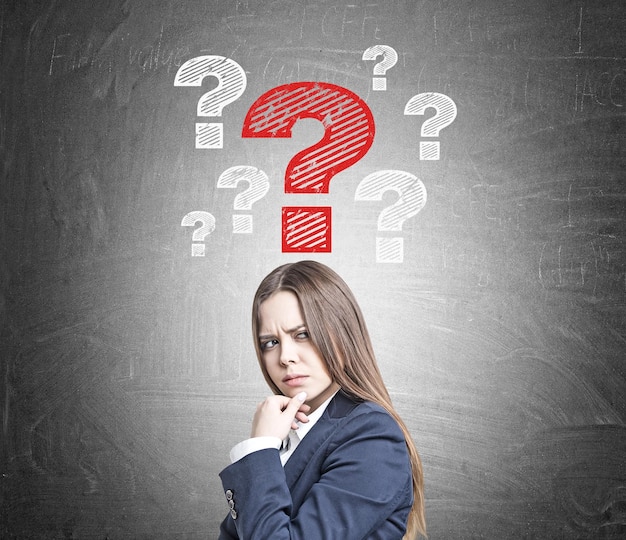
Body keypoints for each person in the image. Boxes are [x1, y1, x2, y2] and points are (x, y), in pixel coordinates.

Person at [218, 260, 426, 539]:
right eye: (271, 342)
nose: (285, 357)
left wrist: (258, 450)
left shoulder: (373, 437)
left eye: (302, 334)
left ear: (341, 334)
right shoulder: (287, 435)